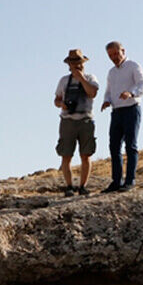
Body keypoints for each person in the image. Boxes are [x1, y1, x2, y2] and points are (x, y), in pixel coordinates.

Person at [100, 41, 143, 193]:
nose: (114, 57)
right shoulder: (111, 72)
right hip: (116, 112)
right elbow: (108, 91)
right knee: (114, 146)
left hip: (131, 109)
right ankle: (116, 181)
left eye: (116, 53)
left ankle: (130, 180)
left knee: (130, 145)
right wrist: (106, 101)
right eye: (111, 55)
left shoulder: (133, 66)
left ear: (123, 51)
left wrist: (131, 93)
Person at [54, 49, 100, 197]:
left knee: (86, 155)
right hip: (67, 120)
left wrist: (81, 78)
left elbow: (92, 93)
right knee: (66, 155)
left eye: (78, 62)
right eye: (73, 63)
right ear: (69, 65)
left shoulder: (90, 78)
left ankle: (83, 186)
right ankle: (69, 186)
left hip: (86, 120)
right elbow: (56, 99)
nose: (76, 65)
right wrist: (61, 104)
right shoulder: (63, 81)